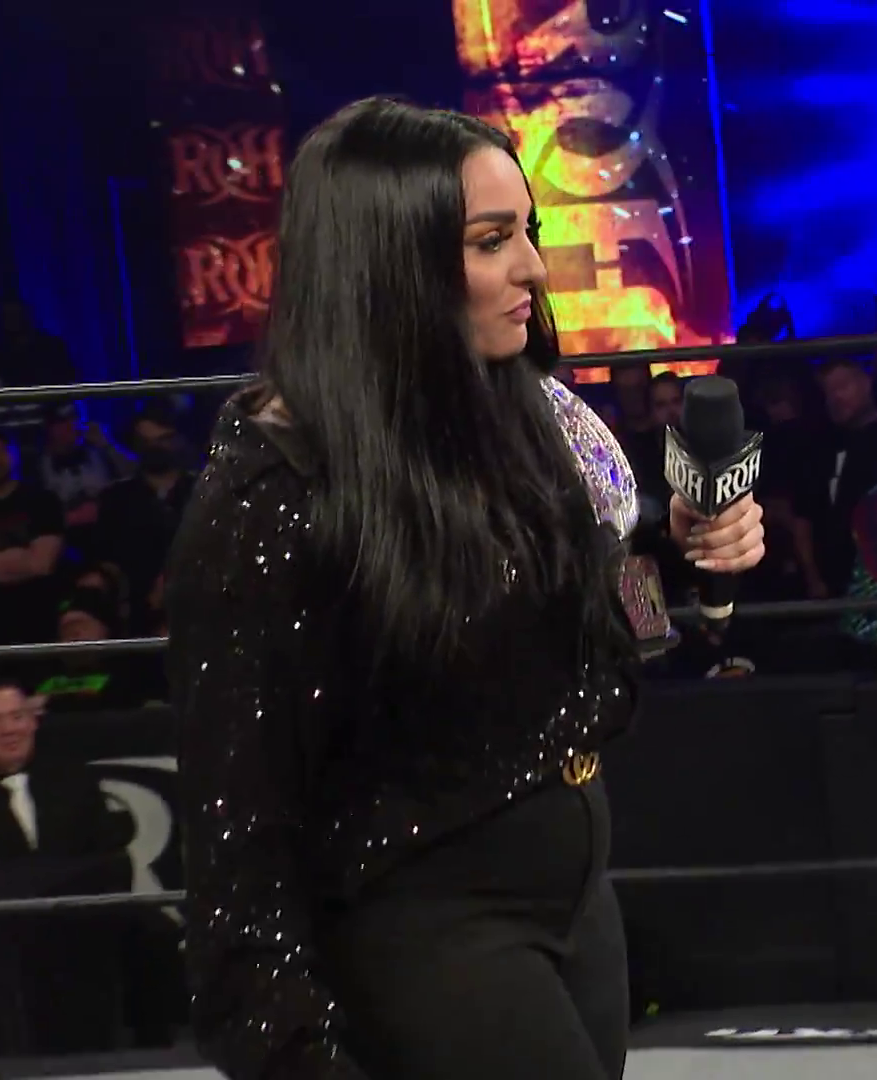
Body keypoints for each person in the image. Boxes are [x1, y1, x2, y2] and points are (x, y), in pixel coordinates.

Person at [165, 98, 764, 1080]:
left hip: (578, 907)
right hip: (429, 925)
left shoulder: (524, 412)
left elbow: (609, 623)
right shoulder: (274, 495)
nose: (534, 269)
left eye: (527, 230)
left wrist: (685, 554)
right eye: (491, 242)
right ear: (389, 264)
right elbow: (239, 839)